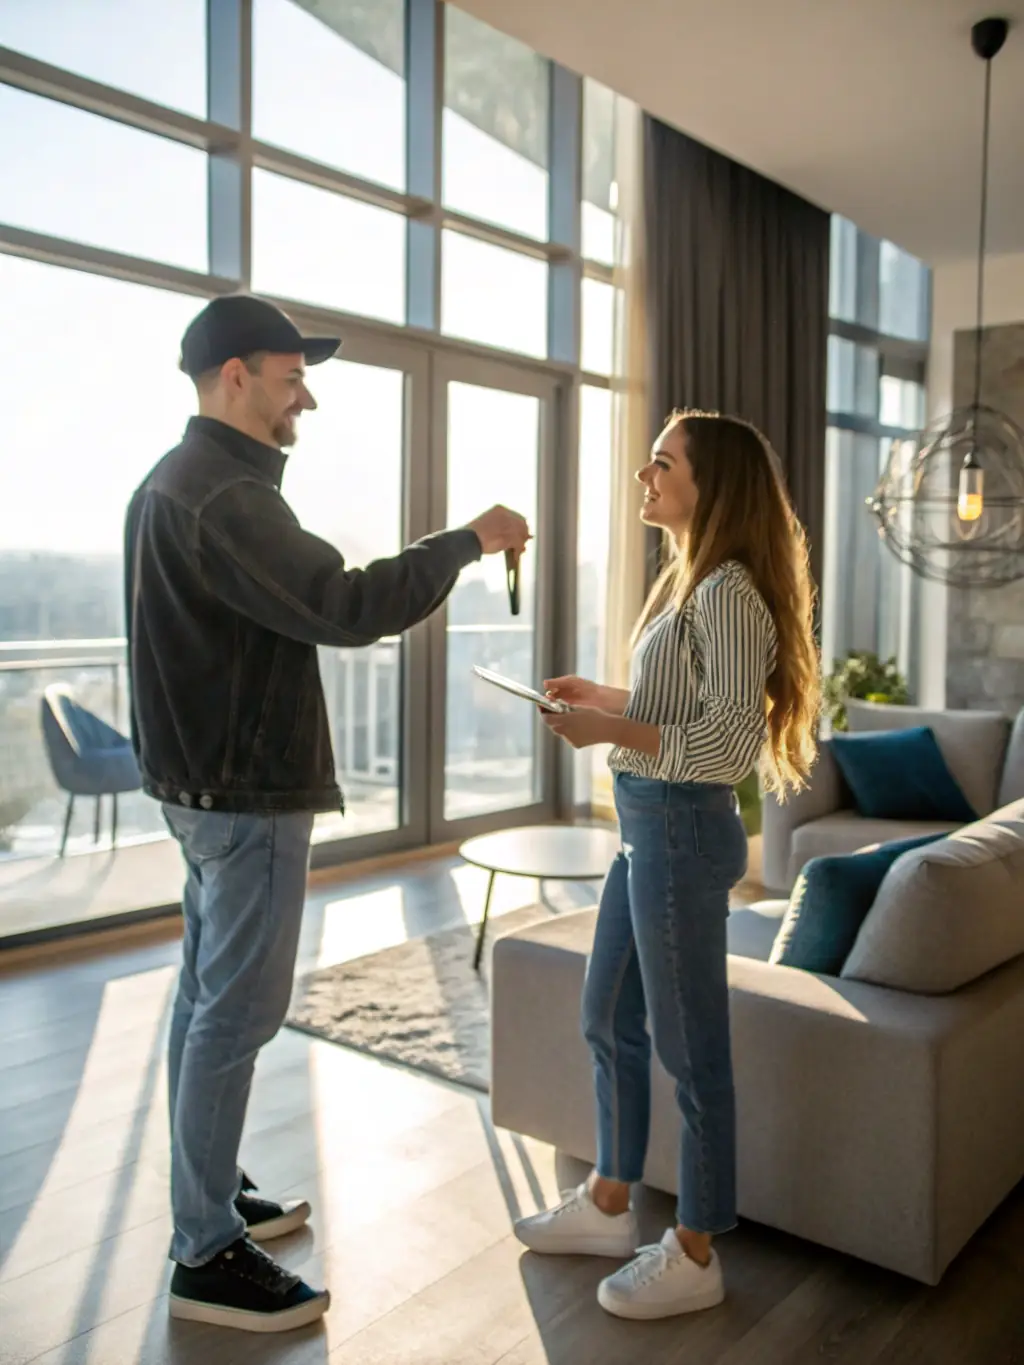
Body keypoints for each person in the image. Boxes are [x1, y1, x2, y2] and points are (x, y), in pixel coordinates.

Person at [124, 294, 530, 1334]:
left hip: (198, 790)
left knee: (205, 1002)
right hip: (246, 798)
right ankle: (206, 1250)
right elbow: (346, 604)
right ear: (234, 379)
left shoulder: (171, 483)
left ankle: (210, 1195)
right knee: (237, 1015)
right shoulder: (225, 495)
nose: (305, 392)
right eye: (289, 372)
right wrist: (468, 540)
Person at [513, 409, 819, 1320]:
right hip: (650, 825)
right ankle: (611, 1202)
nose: (645, 477)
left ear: (708, 482)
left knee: (692, 1051)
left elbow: (725, 742)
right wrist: (603, 698)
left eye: (662, 463)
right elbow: (675, 706)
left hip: (682, 828)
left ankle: (694, 1246)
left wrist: (608, 729)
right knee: (607, 1009)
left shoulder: (727, 590)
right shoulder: (692, 583)